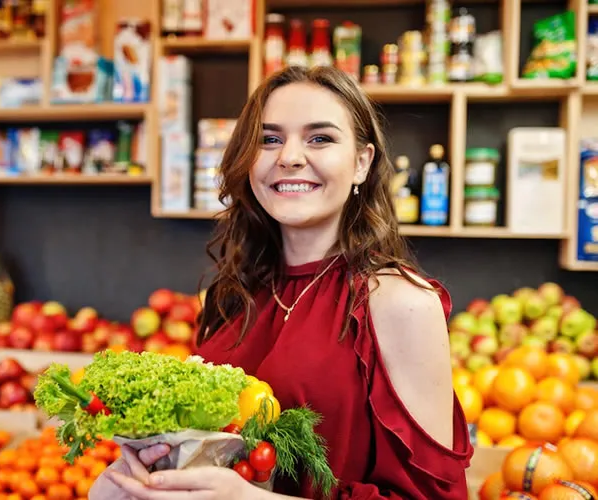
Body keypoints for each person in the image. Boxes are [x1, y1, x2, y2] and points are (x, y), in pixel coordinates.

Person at [90, 65, 473, 500]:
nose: (288, 156)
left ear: (362, 163)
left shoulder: (400, 302)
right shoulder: (236, 293)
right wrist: (131, 484)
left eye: (320, 138)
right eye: (269, 139)